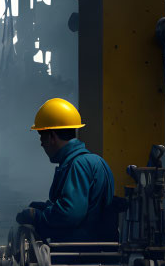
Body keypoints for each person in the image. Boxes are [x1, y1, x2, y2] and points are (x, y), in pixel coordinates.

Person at [17, 98, 117, 242]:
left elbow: (70, 214)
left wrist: (37, 216)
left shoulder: (78, 165)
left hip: (81, 255)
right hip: (98, 251)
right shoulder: (94, 161)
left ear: (52, 137)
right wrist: (46, 208)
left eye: (42, 138)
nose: (41, 144)